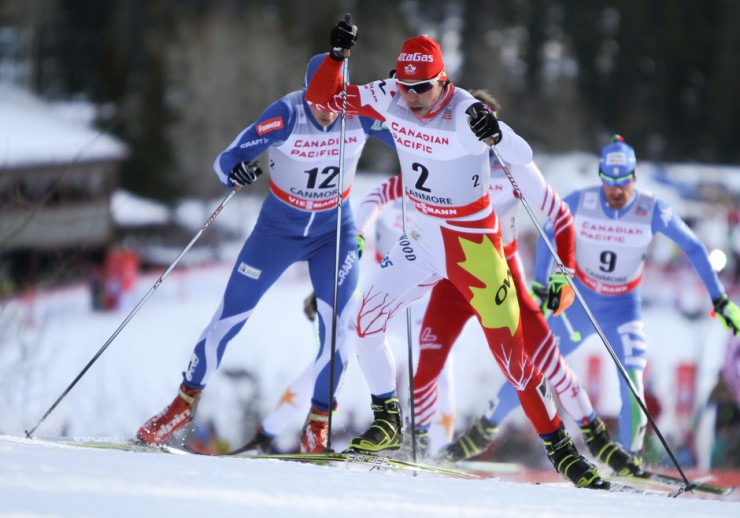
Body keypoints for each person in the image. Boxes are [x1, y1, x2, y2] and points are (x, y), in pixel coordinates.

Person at [306, 20, 608, 488]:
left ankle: (562, 449)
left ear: (442, 81)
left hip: (473, 249)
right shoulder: (391, 93)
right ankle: (388, 419)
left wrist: (496, 134)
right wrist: (337, 58)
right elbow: (325, 100)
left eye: (422, 88)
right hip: (421, 240)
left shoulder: (465, 110)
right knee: (363, 321)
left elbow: (523, 154)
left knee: (513, 358)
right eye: (405, 86)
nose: (411, 97)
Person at [135, 53, 395, 454]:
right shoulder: (287, 114)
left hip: (334, 233)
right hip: (278, 230)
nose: (326, 113)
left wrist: (400, 103)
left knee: (339, 328)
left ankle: (318, 424)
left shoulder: (360, 113)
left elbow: (416, 137)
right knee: (229, 315)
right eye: (318, 103)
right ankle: (182, 404)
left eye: (334, 104)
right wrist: (235, 171)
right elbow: (226, 159)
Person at [459, 134, 740, 465]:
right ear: (602, 177)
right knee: (534, 364)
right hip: (579, 302)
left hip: (623, 308)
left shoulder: (652, 210)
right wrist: (540, 284)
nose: (617, 191)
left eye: (624, 183)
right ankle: (480, 432)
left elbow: (693, 248)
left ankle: (630, 457)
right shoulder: (582, 200)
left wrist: (719, 300)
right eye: (610, 182)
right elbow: (548, 231)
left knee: (632, 376)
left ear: (634, 178)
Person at [234, 176, 457, 455]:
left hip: (423, 301)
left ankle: (439, 453)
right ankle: (267, 436)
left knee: (441, 373)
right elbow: (368, 206)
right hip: (384, 296)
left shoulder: (445, 189)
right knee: (330, 357)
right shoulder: (392, 188)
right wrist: (358, 237)